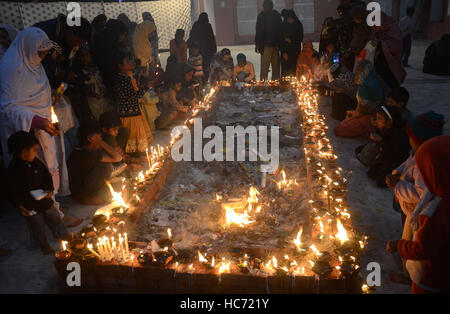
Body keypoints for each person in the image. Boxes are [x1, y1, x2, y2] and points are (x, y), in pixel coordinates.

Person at [0, 27, 83, 228]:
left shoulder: (34, 64)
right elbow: (8, 108)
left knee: (48, 171)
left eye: (46, 51)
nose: (44, 55)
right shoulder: (11, 68)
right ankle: (50, 215)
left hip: (44, 127)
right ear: (28, 47)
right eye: (41, 51)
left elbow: (38, 94)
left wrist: (52, 96)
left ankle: (51, 205)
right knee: (34, 177)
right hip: (26, 135)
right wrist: (38, 121)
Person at [387, 135, 450, 294]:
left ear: (433, 172)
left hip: (428, 279)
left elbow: (422, 249)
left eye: (423, 170)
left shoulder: (433, 212)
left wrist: (399, 246)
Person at [7, 131, 69, 255]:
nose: (36, 153)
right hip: (30, 206)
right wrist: (19, 205)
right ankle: (44, 244)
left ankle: (64, 235)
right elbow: (11, 190)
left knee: (55, 218)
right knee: (38, 226)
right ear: (24, 152)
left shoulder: (36, 162)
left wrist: (50, 190)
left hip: (45, 200)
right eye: (34, 150)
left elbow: (46, 176)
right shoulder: (13, 170)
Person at [68, 122, 122, 205]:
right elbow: (118, 157)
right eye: (99, 137)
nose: (101, 139)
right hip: (80, 194)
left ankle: (91, 195)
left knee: (106, 165)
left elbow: (117, 157)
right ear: (91, 139)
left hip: (77, 191)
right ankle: (89, 197)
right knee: (105, 166)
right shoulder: (87, 154)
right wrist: (100, 142)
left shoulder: (81, 150)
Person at [357, 105, 410, 188]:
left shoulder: (398, 134)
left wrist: (381, 141)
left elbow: (394, 151)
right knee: (371, 173)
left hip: (396, 159)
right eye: (377, 117)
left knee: (381, 182)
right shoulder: (384, 127)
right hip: (384, 153)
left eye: (379, 118)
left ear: (389, 122)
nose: (376, 120)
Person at [112, 49, 153, 155]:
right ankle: (132, 155)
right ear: (119, 65)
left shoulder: (127, 76)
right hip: (129, 113)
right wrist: (146, 87)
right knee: (133, 135)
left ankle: (135, 153)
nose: (131, 63)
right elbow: (134, 96)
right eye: (127, 61)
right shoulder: (123, 79)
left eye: (131, 60)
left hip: (132, 111)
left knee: (136, 136)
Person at [334, 60, 385, 139]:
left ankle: (365, 132)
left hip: (370, 117)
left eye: (359, 70)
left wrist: (354, 114)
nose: (357, 72)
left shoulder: (366, 86)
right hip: (370, 114)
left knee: (340, 128)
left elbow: (364, 109)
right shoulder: (372, 79)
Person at [71, 44, 109, 120]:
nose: (85, 58)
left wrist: (102, 89)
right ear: (78, 58)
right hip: (88, 105)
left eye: (87, 55)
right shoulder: (77, 72)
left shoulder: (95, 68)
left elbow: (101, 82)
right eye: (82, 56)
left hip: (101, 102)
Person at [372, 13, 406, 89]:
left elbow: (395, 46)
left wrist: (380, 43)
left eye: (376, 26)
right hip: (382, 62)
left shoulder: (393, 29)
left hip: (391, 62)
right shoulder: (380, 29)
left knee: (391, 82)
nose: (374, 28)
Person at [255, 0, 282, 81]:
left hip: (275, 44)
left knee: (276, 66)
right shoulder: (261, 16)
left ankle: (275, 83)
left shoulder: (276, 15)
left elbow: (281, 29)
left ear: (271, 6)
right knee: (265, 67)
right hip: (265, 45)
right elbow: (258, 31)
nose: (267, 7)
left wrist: (281, 43)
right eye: (266, 6)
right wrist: (257, 44)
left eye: (268, 6)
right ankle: (263, 83)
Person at [188, 13, 217, 81]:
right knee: (198, 66)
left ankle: (204, 81)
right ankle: (199, 82)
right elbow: (192, 37)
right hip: (199, 50)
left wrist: (213, 48)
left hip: (206, 51)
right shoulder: (198, 25)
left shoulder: (205, 25)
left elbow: (211, 38)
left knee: (205, 67)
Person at [280, 10, 303, 77]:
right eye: (288, 19)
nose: (290, 20)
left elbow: (300, 38)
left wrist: (291, 41)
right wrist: (283, 52)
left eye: (291, 19)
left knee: (294, 69)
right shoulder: (283, 26)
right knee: (285, 71)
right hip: (286, 52)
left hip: (295, 51)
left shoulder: (298, 25)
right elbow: (281, 40)